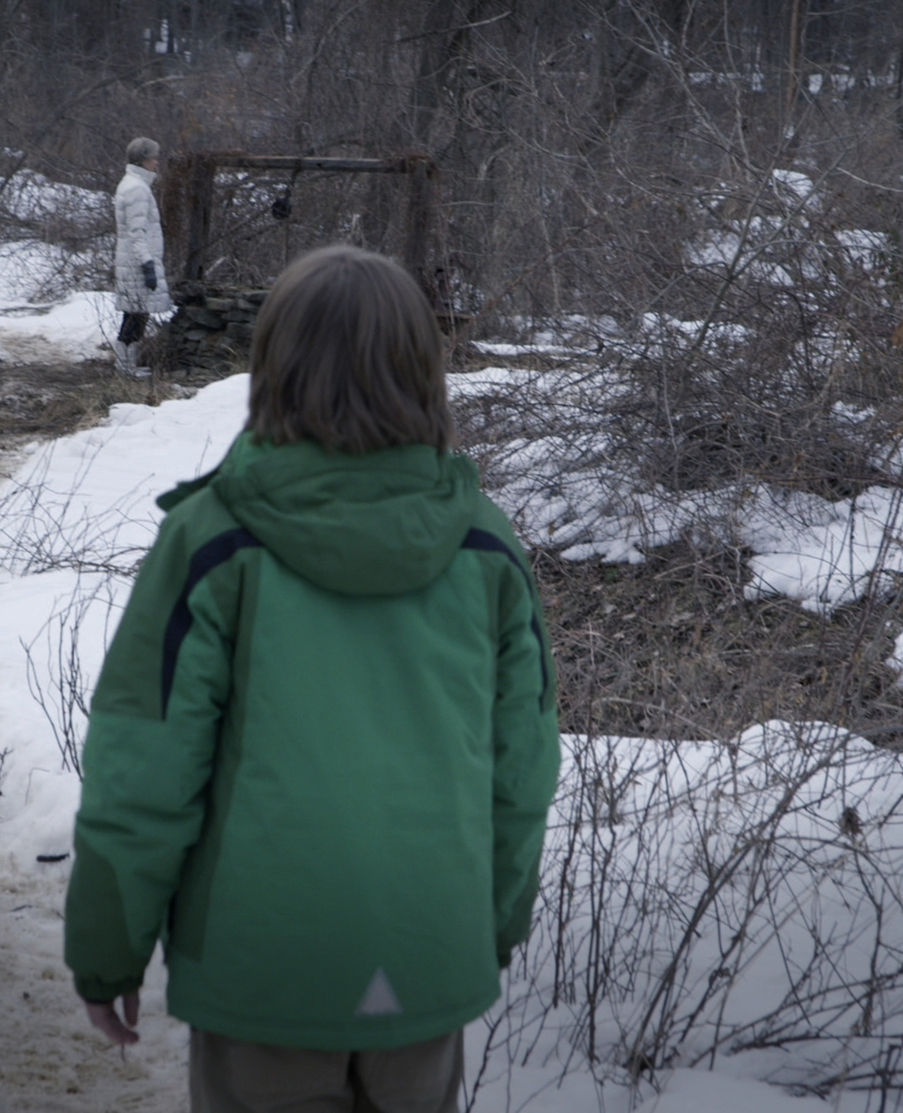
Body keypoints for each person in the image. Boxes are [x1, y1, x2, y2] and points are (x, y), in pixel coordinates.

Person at [63, 245, 561, 1113]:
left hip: (266, 969)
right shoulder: (485, 546)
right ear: (423, 368)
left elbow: (143, 770)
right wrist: (487, 929)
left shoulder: (214, 543)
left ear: (275, 364)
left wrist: (108, 948)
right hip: (424, 955)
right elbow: (522, 771)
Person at [111, 136, 172, 376]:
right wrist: (147, 263)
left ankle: (126, 366)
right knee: (136, 316)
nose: (157, 162)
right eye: (154, 157)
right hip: (137, 262)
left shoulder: (133, 184)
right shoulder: (137, 188)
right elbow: (137, 232)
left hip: (132, 261)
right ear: (143, 159)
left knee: (134, 314)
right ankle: (125, 368)